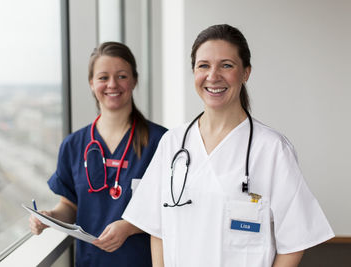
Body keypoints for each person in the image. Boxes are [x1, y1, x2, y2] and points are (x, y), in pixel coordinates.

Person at [122, 24, 334, 267]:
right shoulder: (173, 143)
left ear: (246, 73)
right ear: (193, 72)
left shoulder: (272, 149)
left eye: (226, 65)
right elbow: (156, 228)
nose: (213, 76)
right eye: (204, 65)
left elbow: (294, 242)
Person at [29, 41, 167, 266]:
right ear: (92, 83)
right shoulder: (73, 145)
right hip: (90, 261)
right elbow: (71, 206)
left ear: (134, 80)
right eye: (103, 77)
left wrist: (129, 227)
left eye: (121, 76)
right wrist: (51, 218)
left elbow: (170, 209)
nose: (112, 84)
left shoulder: (161, 142)